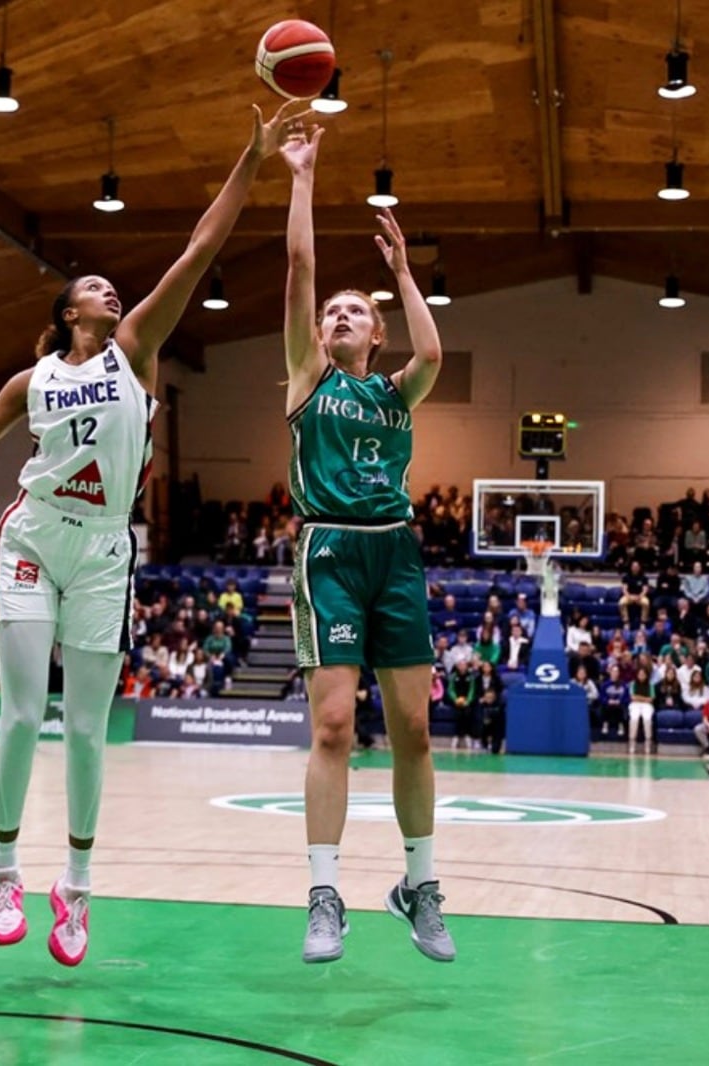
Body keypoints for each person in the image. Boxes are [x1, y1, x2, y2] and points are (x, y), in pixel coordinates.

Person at [0, 101, 305, 966]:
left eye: (111, 289)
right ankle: (0, 870)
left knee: (91, 728)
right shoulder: (31, 379)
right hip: (32, 537)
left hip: (105, 548)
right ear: (69, 315)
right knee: (25, 717)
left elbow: (199, 249)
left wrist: (251, 160)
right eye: (93, 289)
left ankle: (76, 887)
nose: (110, 291)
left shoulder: (134, 348)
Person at [279, 122, 455, 965]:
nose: (339, 316)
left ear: (372, 334)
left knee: (415, 729)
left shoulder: (395, 392)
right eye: (331, 313)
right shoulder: (307, 380)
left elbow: (432, 349)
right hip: (330, 555)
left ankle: (419, 885)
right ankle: (323, 896)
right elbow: (301, 270)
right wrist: (303, 179)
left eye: (356, 313)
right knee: (335, 727)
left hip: (396, 551)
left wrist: (402, 276)